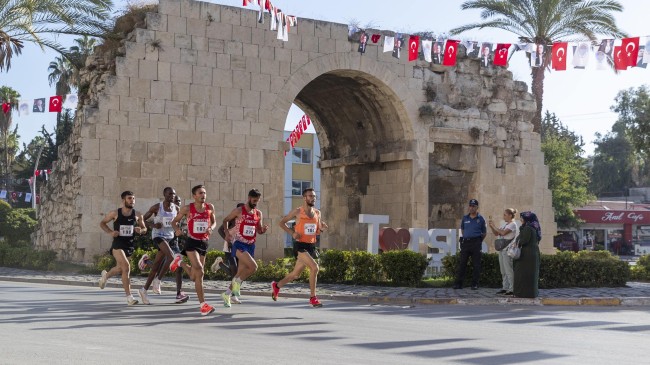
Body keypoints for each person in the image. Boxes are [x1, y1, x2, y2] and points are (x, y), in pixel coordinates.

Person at [272, 188, 329, 307]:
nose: (313, 198)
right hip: (300, 246)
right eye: (310, 196)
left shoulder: (318, 213)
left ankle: (277, 286)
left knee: (295, 275)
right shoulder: (297, 212)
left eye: (314, 196)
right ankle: (313, 298)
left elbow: (317, 231)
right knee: (315, 268)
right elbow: (282, 223)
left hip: (311, 246)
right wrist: (292, 233)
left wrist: (322, 228)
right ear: (304, 198)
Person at [169, 185, 217, 316]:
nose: (203, 195)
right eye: (200, 193)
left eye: (205, 193)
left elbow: (214, 222)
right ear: (194, 196)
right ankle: (203, 305)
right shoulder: (187, 208)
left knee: (194, 277)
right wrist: (177, 230)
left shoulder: (210, 207)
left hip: (204, 243)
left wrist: (211, 228)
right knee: (200, 270)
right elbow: (174, 222)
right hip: (191, 242)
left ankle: (180, 262)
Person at [98, 191, 147, 305]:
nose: (132, 201)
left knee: (120, 269)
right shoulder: (115, 213)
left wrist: (141, 230)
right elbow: (102, 223)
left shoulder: (138, 214)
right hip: (118, 245)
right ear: (123, 200)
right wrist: (110, 232)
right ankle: (129, 297)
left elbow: (144, 228)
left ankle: (106, 276)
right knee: (126, 267)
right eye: (129, 198)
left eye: (133, 199)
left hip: (129, 245)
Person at [137, 187, 185, 305]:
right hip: (158, 236)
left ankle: (143, 290)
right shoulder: (157, 207)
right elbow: (142, 219)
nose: (172, 196)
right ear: (164, 194)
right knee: (171, 256)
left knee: (156, 266)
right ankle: (158, 280)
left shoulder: (177, 208)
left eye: (173, 194)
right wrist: (153, 225)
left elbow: (176, 222)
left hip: (170, 237)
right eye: (169, 194)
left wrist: (178, 229)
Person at [222, 189, 269, 302]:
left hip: (250, 245)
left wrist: (263, 230)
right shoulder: (239, 211)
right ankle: (237, 285)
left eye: (257, 201)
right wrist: (227, 233)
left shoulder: (258, 213)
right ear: (249, 198)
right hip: (239, 244)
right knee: (253, 267)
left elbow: (258, 230)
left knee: (239, 273)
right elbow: (225, 220)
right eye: (254, 200)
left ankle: (228, 294)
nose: (255, 203)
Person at [211, 202, 245, 307]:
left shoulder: (247, 220)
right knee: (234, 272)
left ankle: (234, 295)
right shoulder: (231, 220)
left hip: (242, 248)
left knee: (240, 272)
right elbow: (220, 230)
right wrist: (229, 240)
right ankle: (220, 264)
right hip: (229, 248)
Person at [453, 199, 486, 290]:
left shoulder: (481, 219)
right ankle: (458, 284)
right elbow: (463, 230)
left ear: (477, 207)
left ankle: (474, 284)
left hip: (476, 243)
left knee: (476, 265)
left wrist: (478, 241)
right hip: (466, 243)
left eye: (473, 206)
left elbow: (484, 233)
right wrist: (467, 237)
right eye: (470, 206)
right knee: (462, 264)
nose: (471, 208)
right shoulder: (465, 218)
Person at [488, 208, 518, 296]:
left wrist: (494, 226)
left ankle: (512, 288)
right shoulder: (505, 224)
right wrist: (491, 227)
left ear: (510, 215)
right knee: (503, 270)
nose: (503, 216)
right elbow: (497, 233)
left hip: (507, 250)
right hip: (502, 249)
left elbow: (503, 233)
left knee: (508, 270)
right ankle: (505, 287)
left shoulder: (512, 225)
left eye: (505, 214)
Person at [513, 211, 541, 298]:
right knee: (530, 275)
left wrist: (516, 242)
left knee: (521, 274)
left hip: (527, 255)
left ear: (527, 219)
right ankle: (531, 293)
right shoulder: (533, 227)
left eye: (522, 218)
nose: (521, 220)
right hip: (532, 254)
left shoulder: (528, 228)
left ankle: (522, 293)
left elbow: (524, 240)